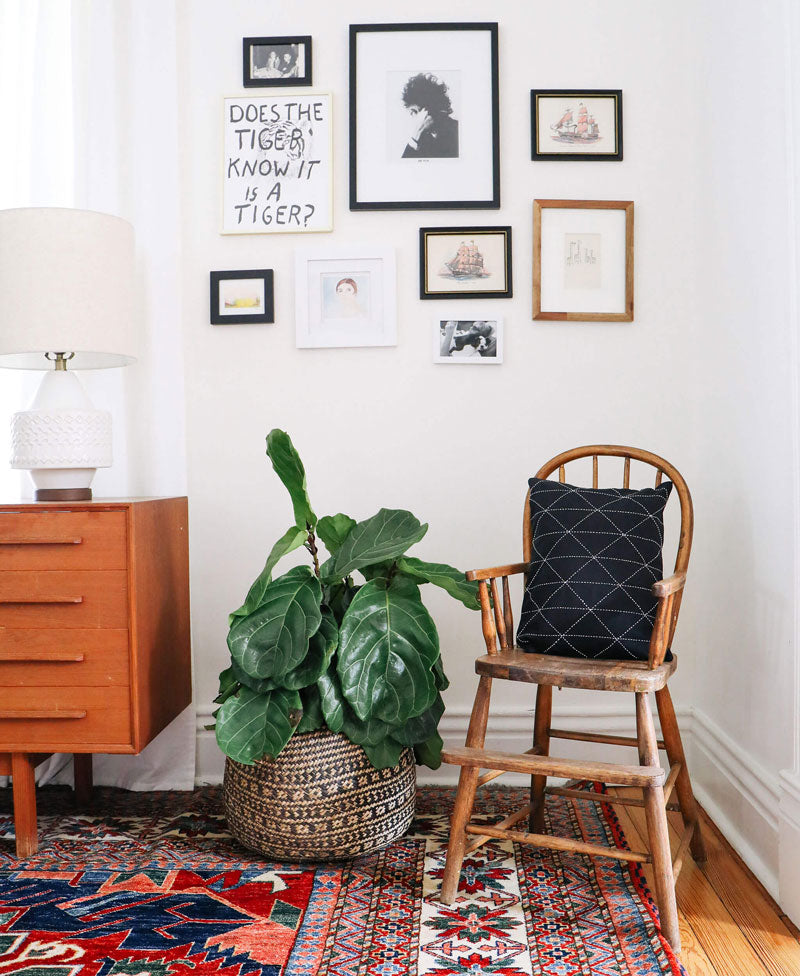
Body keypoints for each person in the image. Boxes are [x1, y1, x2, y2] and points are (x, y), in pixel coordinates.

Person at [401, 73, 459, 158]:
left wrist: (418, 131)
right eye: (412, 113)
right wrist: (415, 137)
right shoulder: (421, 138)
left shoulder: (457, 131)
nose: (416, 119)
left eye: (414, 112)